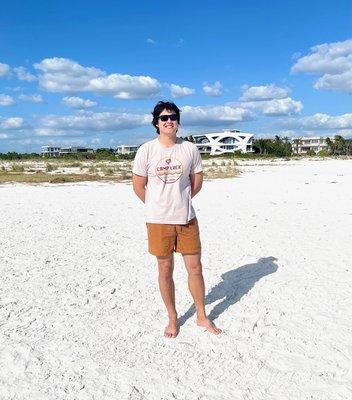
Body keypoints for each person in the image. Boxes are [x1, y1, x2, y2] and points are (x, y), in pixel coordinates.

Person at [132, 101, 222, 338]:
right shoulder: (146, 150)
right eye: (163, 118)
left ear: (178, 121)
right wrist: (158, 205)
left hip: (186, 218)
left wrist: (181, 201)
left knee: (195, 267)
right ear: (156, 123)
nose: (169, 121)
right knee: (165, 269)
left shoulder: (190, 149)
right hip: (157, 221)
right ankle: (173, 318)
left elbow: (197, 182)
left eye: (172, 117)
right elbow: (139, 186)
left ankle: (201, 315)